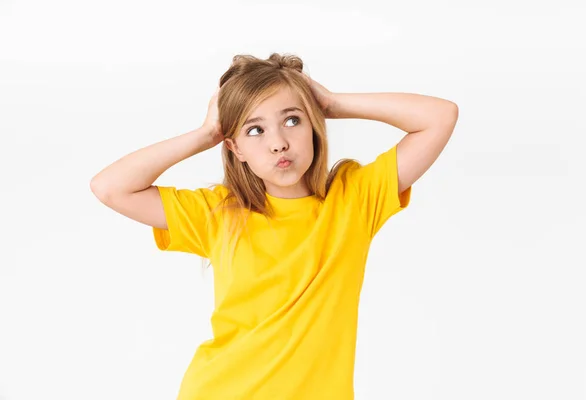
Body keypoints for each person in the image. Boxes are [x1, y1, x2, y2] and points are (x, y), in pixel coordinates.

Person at [90, 52, 459, 399]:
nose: (279, 143)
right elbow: (110, 187)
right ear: (235, 149)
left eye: (292, 120)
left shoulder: (353, 199)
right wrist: (206, 133)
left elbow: (440, 117)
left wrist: (331, 103)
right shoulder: (218, 213)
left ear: (313, 125)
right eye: (255, 131)